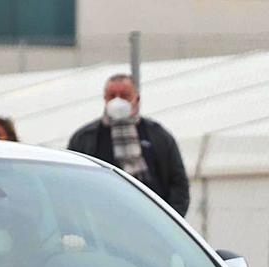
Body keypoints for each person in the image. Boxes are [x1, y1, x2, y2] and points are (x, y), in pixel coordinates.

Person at [68, 74, 190, 216]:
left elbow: (178, 182)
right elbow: (70, 184)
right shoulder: (85, 138)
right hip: (101, 219)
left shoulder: (157, 135)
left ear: (136, 99)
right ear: (104, 99)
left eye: (124, 95)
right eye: (112, 96)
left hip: (150, 219)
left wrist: (171, 219)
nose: (117, 101)